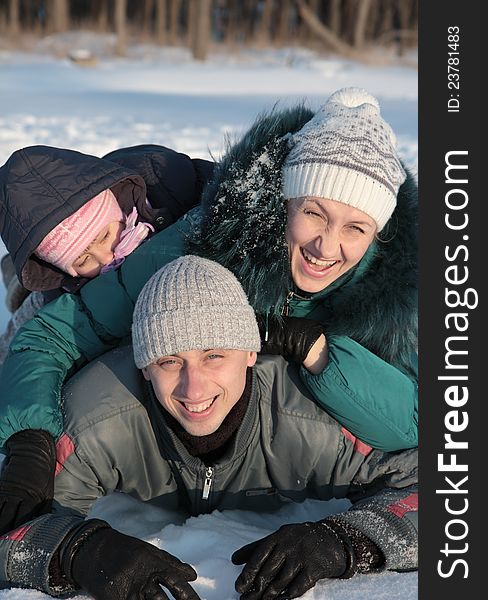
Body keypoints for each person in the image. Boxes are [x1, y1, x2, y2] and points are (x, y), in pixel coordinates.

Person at [0, 87, 418, 533]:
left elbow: (412, 428)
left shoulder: (400, 301)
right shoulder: (203, 249)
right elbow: (54, 336)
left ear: (379, 232)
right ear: (284, 202)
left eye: (355, 227)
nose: (326, 246)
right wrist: (29, 439)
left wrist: (318, 350)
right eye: (314, 213)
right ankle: (29, 281)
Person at [0, 256, 418, 600]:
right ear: (144, 367)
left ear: (252, 352)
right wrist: (78, 551)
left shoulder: (309, 420)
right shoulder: (98, 420)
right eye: (169, 361)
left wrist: (344, 542)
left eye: (214, 356)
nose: (193, 387)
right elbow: (11, 525)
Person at [0, 143, 214, 362]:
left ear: (118, 211)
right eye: (83, 259)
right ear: (66, 271)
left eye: (103, 237)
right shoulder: (61, 289)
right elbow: (24, 339)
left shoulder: (170, 185)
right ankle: (17, 279)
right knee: (31, 301)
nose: (106, 258)